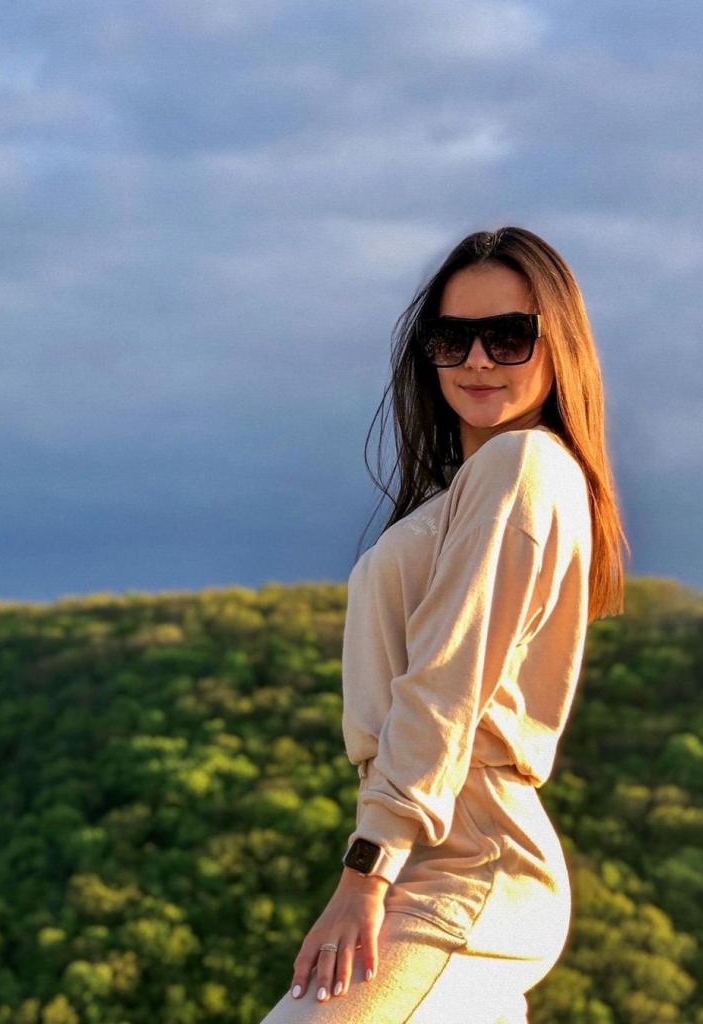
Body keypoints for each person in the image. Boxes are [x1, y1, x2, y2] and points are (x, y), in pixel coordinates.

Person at [259, 226, 629, 1023]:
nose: (478, 361)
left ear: (558, 345)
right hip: (432, 863)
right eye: (451, 339)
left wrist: (365, 871)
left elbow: (445, 684)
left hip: (467, 869)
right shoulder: (464, 491)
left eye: (508, 336)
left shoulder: (523, 466)